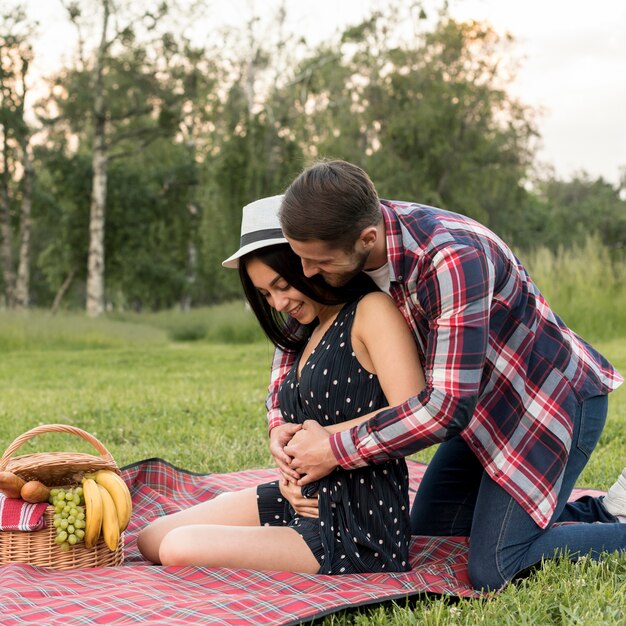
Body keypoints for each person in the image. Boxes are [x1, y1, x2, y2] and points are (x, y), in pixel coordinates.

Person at [269, 160, 625, 591]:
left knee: (495, 566)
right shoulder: (338, 242)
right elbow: (294, 337)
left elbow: (445, 410)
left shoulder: (450, 256)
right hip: (480, 416)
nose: (306, 273)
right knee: (435, 537)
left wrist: (333, 449)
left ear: (367, 238)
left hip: (544, 405)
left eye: (316, 262)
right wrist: (279, 424)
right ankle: (607, 512)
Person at [137, 195, 426, 574]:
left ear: (305, 263)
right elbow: (293, 422)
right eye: (265, 294)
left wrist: (324, 444)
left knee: (178, 547)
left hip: (354, 522)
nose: (278, 302)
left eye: (281, 284)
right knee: (151, 539)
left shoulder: (372, 311)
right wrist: (289, 464)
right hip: (299, 499)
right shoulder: (305, 331)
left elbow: (413, 409)